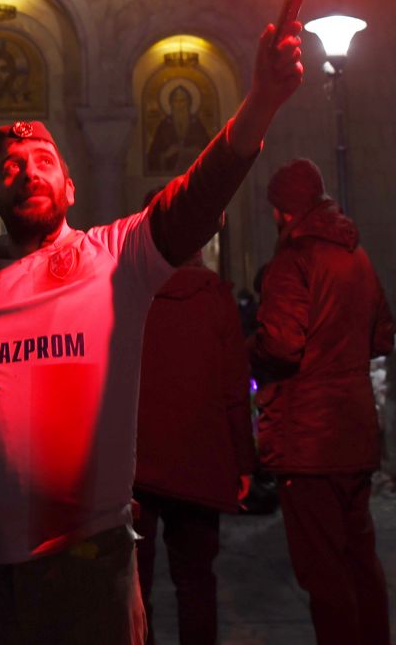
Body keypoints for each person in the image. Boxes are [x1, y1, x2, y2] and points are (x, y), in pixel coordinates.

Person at [0, 20, 303, 643]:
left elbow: (195, 198)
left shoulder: (116, 259)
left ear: (70, 188)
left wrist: (261, 100)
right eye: (10, 167)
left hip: (83, 571)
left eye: (43, 161)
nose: (27, 172)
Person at [252, 159, 396, 645]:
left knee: (324, 572)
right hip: (354, 433)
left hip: (308, 441)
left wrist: (245, 349)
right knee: (360, 559)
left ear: (284, 211)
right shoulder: (357, 256)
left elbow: (280, 345)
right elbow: (383, 336)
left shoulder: (293, 261)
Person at [132, 230, 255, 645]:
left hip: (135, 466)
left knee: (134, 586)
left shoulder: (127, 297)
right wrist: (243, 462)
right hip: (198, 462)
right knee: (197, 583)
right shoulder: (215, 297)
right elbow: (234, 389)